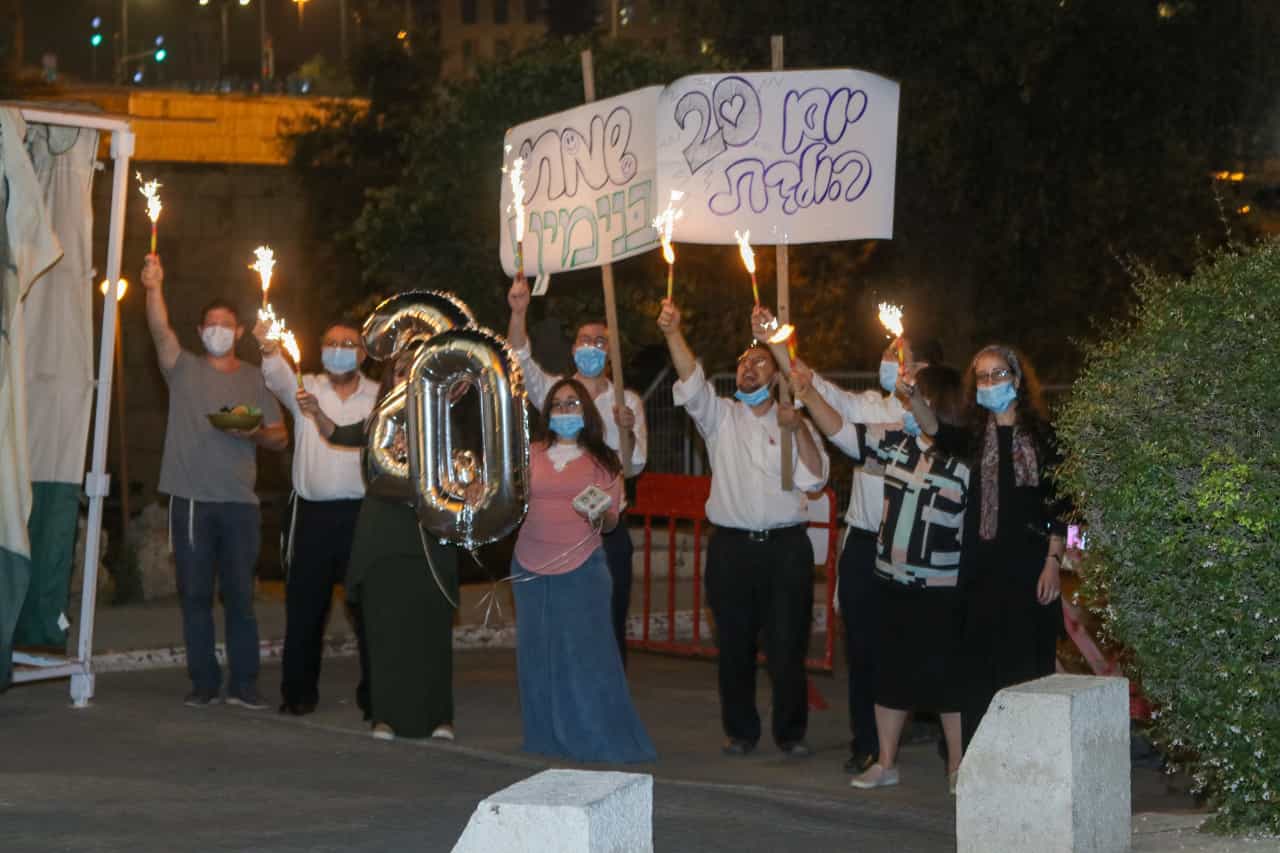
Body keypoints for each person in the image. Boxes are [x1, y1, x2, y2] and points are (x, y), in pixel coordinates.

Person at [752, 308, 942, 774]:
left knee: (919, 644)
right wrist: (778, 341)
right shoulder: (865, 406)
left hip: (912, 545)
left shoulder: (935, 420)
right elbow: (811, 384)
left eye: (901, 355)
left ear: (920, 371)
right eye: (887, 354)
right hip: (864, 543)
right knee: (863, 647)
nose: (891, 361)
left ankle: (936, 729)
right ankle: (868, 741)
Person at [659, 298, 829, 758]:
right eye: (742, 364)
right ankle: (741, 731)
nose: (749, 369)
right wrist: (674, 333)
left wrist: (801, 432)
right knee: (733, 644)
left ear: (775, 375)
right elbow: (692, 384)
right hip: (731, 550)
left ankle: (790, 734)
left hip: (785, 550)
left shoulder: (793, 419)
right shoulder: (722, 418)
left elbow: (817, 478)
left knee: (786, 645)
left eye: (759, 362)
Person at [795, 361, 969, 792]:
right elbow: (845, 435)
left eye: (917, 396)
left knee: (948, 679)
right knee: (888, 673)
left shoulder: (965, 454)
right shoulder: (901, 442)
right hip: (890, 579)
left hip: (942, 586)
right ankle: (885, 761)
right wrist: (809, 394)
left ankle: (958, 768)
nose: (907, 404)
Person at [140, 255, 287, 708]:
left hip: (240, 503)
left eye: (225, 324)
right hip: (190, 501)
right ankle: (204, 683)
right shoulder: (182, 369)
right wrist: (152, 287)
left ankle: (244, 685)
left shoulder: (256, 378)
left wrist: (255, 432)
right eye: (209, 324)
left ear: (239, 332)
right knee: (196, 595)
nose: (217, 329)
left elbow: (281, 437)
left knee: (241, 597)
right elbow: (161, 332)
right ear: (201, 330)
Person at [296, 352, 458, 741]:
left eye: (417, 371)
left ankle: (439, 718)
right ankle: (385, 716)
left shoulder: (445, 421)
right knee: (384, 630)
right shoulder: (377, 420)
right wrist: (316, 413)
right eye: (401, 370)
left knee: (431, 629)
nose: (408, 377)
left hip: (429, 536)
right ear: (390, 378)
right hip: (383, 536)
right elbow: (338, 433)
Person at [507, 377, 656, 763]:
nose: (564, 410)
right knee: (537, 657)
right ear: (547, 413)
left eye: (573, 404)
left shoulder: (603, 459)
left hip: (582, 567)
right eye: (557, 404)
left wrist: (601, 514)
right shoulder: (528, 454)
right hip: (528, 566)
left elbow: (610, 524)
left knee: (586, 658)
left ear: (586, 411)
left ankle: (593, 737)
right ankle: (545, 739)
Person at [507, 275, 647, 666]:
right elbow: (519, 359)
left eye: (600, 342)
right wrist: (519, 311)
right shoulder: (559, 392)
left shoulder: (628, 400)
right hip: (554, 533)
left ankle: (607, 706)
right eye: (584, 340)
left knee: (606, 627)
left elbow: (634, 467)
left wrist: (628, 430)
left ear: (612, 351)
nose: (591, 347)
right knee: (558, 635)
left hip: (607, 528)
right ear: (573, 348)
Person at [936, 345, 1067, 751]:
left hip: (1030, 571)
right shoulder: (975, 438)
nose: (990, 383)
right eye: (982, 376)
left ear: (1017, 379)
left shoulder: (1044, 437)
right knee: (979, 673)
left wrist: (1053, 562)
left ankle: (1031, 760)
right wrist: (908, 393)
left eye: (998, 374)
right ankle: (984, 764)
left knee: (1029, 672)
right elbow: (936, 430)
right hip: (980, 572)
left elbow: (1063, 505)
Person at [254, 318, 379, 717]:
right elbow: (275, 376)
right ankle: (298, 694)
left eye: (348, 343)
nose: (338, 348)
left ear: (362, 353)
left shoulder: (380, 395)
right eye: (330, 342)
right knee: (305, 609)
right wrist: (268, 347)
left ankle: (376, 697)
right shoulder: (305, 388)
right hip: (312, 517)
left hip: (363, 516)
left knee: (370, 612)